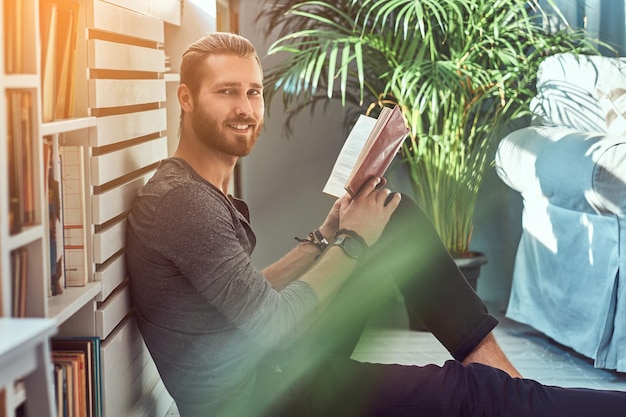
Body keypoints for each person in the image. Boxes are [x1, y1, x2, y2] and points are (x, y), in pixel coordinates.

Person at [125, 32, 626, 417]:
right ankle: (517, 397)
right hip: (266, 397)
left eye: (253, 92)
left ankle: (507, 386)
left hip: (269, 371)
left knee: (392, 216)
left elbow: (249, 297)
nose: (245, 108)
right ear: (186, 98)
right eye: (226, 92)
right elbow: (274, 325)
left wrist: (325, 236)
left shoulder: (190, 189)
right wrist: (351, 242)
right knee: (474, 395)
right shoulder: (184, 204)